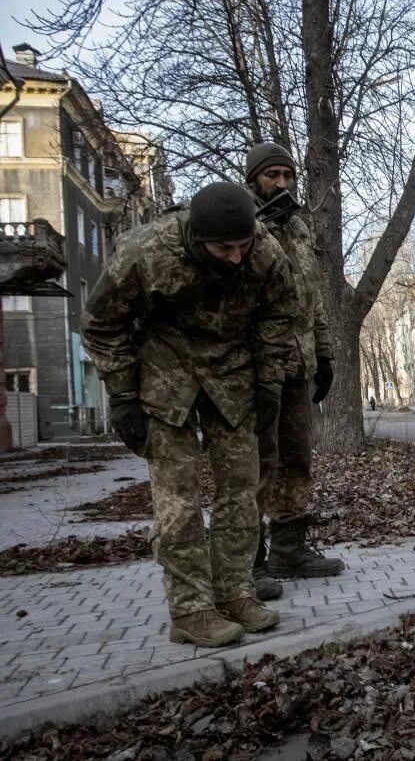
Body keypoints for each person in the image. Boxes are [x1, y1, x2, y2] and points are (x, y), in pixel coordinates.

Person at [83, 182, 297, 647]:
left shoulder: (265, 251)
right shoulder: (144, 252)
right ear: (198, 239)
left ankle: (235, 593)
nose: (237, 257)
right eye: (225, 248)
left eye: (243, 245)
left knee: (242, 491)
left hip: (232, 374)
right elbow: (102, 325)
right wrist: (121, 395)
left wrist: (269, 381)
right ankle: (190, 609)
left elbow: (279, 317)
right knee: (177, 501)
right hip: (164, 373)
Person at [243, 143, 345, 599]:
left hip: (298, 367)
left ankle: (289, 547)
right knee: (254, 465)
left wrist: (324, 356)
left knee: (296, 459)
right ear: (254, 180)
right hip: (254, 370)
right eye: (272, 176)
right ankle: (249, 561)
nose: (282, 184)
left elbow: (313, 299)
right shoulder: (239, 225)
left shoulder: (300, 228)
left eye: (288, 175)